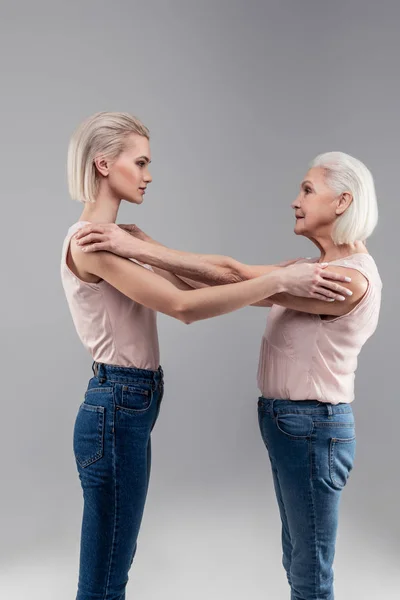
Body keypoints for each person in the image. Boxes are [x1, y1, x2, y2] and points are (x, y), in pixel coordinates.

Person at [62, 113, 351, 600]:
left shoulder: (120, 240)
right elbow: (183, 306)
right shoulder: (91, 242)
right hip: (115, 405)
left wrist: (263, 278)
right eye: (141, 162)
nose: (149, 174)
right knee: (106, 577)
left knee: (114, 564)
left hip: (127, 403)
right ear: (104, 164)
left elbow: (192, 280)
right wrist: (278, 281)